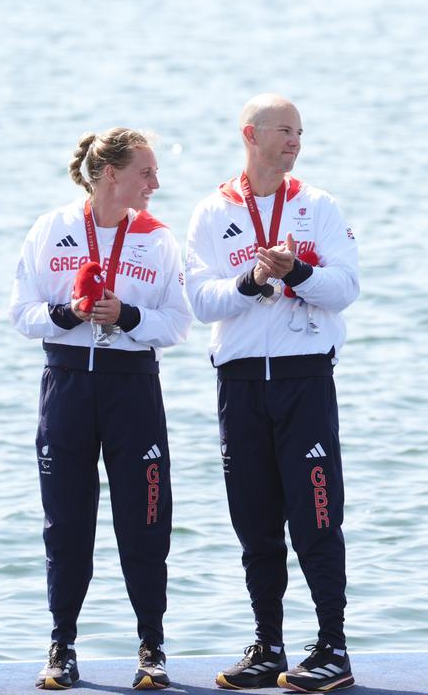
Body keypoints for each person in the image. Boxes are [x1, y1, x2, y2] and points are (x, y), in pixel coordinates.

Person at [185, 94, 360, 692]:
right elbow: (200, 300)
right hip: (238, 384)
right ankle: (269, 644)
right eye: (284, 130)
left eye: (300, 131)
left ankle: (333, 646)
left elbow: (345, 287)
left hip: (303, 378)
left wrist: (296, 273)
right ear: (250, 135)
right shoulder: (212, 211)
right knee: (254, 521)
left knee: (316, 517)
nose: (295, 140)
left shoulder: (318, 206)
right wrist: (253, 279)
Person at [9, 128, 190, 690]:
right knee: (66, 522)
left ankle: (152, 648)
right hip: (66, 386)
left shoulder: (156, 239)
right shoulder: (52, 228)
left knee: (145, 520)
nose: (156, 183)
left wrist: (127, 316)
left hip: (132, 388)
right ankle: (62, 645)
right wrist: (68, 313)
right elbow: (22, 312)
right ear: (111, 174)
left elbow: (179, 323)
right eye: (146, 173)